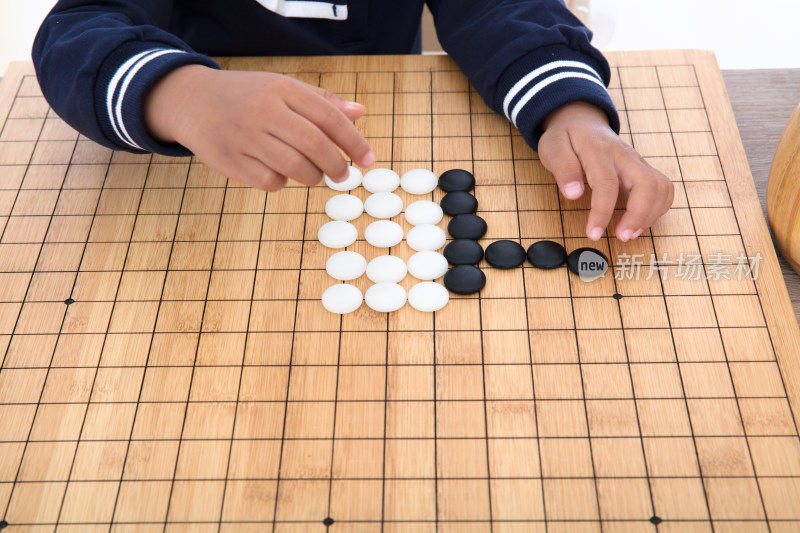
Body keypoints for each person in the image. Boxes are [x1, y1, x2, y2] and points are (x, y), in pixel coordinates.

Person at [32, 0, 673, 242]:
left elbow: (498, 6)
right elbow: (73, 34)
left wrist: (570, 108)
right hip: (205, 174)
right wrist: (180, 95)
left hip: (383, 126)